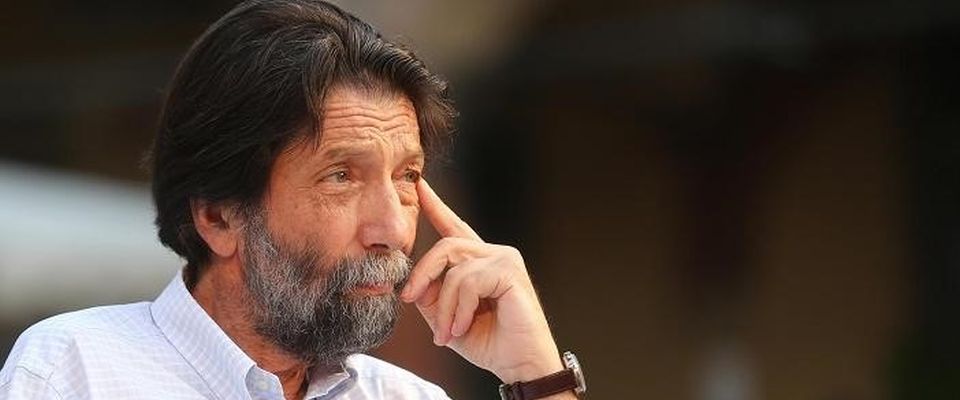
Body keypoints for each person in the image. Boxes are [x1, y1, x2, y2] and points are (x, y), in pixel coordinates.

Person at [0, 1, 585, 399]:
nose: (392, 229)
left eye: (407, 176)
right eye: (341, 177)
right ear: (217, 215)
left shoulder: (405, 395)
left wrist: (537, 377)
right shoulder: (76, 370)